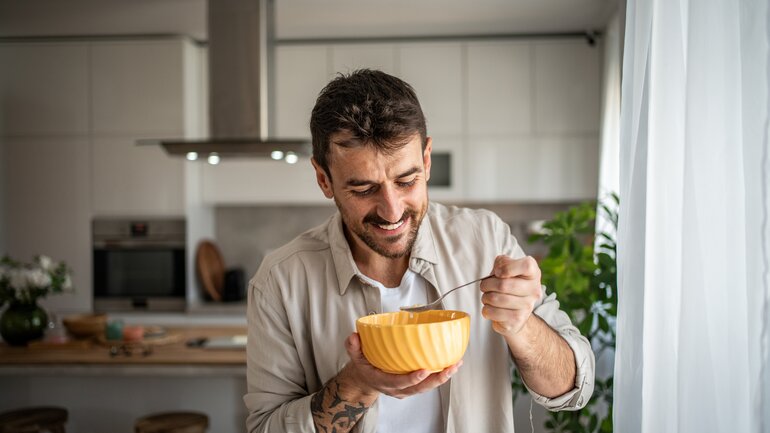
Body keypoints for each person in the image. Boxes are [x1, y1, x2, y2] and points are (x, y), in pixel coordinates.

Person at [244, 69, 595, 433]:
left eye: (407, 180)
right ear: (323, 179)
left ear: (426, 160)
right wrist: (359, 383)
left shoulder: (484, 241)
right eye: (363, 189)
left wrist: (523, 325)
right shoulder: (281, 280)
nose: (392, 211)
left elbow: (572, 388)